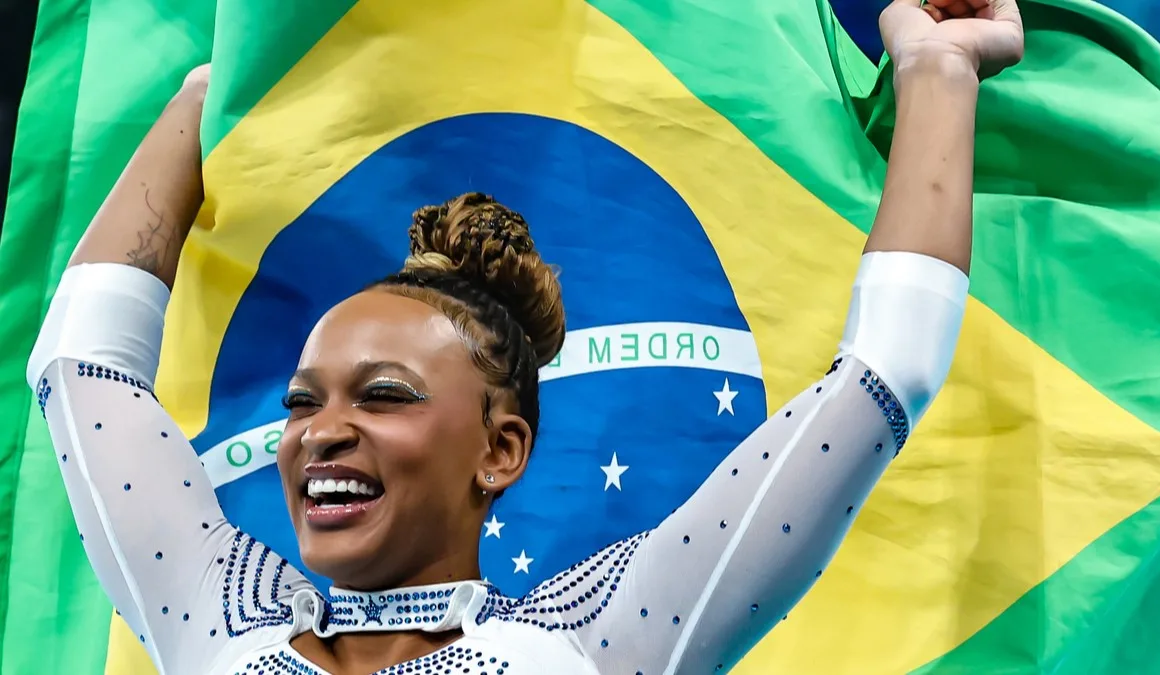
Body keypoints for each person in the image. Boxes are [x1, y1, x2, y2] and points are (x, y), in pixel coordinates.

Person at [25, 0, 1024, 673]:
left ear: (501, 449)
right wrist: (236, 90)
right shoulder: (218, 620)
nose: (319, 432)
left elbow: (882, 375)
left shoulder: (599, 640)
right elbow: (78, 365)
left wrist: (941, 69)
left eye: (383, 395)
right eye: (304, 402)